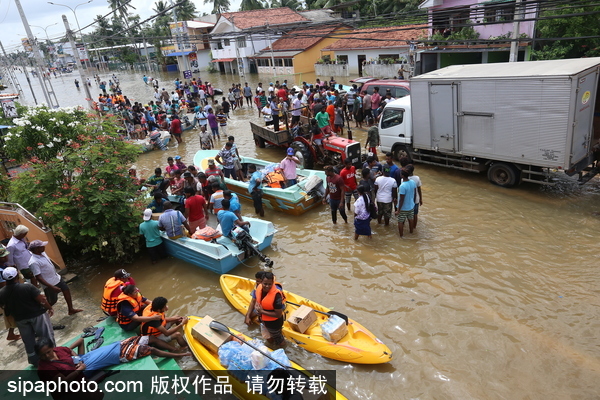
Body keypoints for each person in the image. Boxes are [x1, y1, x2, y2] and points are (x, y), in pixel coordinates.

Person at [35, 335, 190, 390]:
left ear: (53, 348)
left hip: (113, 347)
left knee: (149, 338)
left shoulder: (60, 350)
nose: (48, 355)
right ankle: (180, 354)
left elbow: (75, 346)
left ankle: (174, 350)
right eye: (44, 354)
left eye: (49, 351)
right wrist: (79, 369)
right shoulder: (46, 368)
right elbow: (61, 384)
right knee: (150, 349)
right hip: (116, 356)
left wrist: (77, 358)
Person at [0, 267, 54, 365]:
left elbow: (3, 306)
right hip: (37, 315)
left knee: (28, 341)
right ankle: (52, 356)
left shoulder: (2, 292)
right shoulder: (27, 287)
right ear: (16, 275)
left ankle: (34, 361)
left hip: (20, 319)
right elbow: (41, 300)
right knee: (46, 336)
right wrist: (50, 308)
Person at [28, 240, 82, 316]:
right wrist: (52, 287)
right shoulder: (33, 262)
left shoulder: (42, 253)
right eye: (42, 246)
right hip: (49, 284)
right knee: (52, 301)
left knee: (66, 290)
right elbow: (38, 277)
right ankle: (39, 314)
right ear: (36, 249)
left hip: (57, 278)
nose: (44, 247)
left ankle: (71, 309)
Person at [254, 272, 285, 346]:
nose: (267, 286)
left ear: (273, 283)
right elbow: (257, 300)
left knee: (279, 339)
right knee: (268, 336)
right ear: (261, 282)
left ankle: (282, 349)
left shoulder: (276, 295)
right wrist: (256, 307)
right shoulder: (259, 288)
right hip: (263, 319)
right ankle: (272, 346)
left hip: (274, 323)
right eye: (265, 284)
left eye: (269, 284)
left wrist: (261, 311)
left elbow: (278, 314)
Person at [0, 245, 20, 341]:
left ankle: (11, 334)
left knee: (14, 316)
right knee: (12, 316)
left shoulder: (4, 266)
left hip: (10, 294)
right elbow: (4, 286)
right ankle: (11, 334)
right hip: (8, 297)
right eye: (5, 256)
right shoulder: (0, 271)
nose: (7, 257)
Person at [395, 169, 417, 238]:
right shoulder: (412, 182)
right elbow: (415, 193)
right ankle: (411, 233)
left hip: (403, 207)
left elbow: (401, 199)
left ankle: (401, 236)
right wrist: (413, 202)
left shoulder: (402, 186)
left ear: (402, 176)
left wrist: (398, 210)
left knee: (400, 221)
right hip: (411, 205)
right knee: (410, 219)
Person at [405, 164, 423, 228]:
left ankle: (410, 227)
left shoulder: (404, 179)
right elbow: (419, 190)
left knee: (408, 214)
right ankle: (414, 227)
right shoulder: (417, 178)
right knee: (415, 214)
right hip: (416, 200)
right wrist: (421, 199)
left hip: (407, 200)